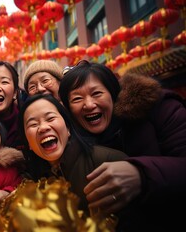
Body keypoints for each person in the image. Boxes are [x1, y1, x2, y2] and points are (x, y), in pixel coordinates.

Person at [58, 59, 186, 231]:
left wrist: (142, 174)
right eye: (77, 99)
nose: (89, 105)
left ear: (112, 93)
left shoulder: (158, 107)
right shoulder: (71, 147)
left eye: (96, 93)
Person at [19, 94, 127, 212]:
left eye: (50, 118)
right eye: (33, 124)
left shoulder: (109, 161)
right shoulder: (30, 184)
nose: (43, 128)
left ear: (68, 128)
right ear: (28, 143)